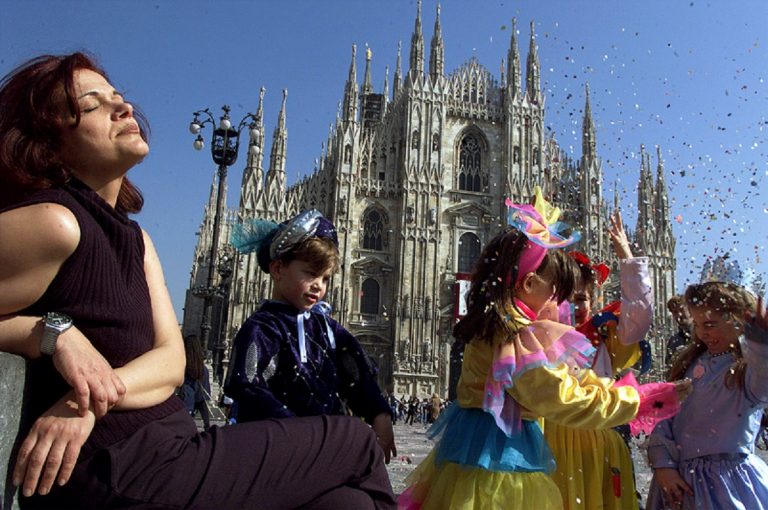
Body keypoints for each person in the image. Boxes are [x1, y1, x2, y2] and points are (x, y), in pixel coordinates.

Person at [0, 52, 395, 509]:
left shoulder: (135, 239)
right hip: (124, 470)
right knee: (354, 441)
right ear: (48, 142)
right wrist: (52, 335)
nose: (124, 108)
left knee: (346, 504)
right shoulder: (57, 221)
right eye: (92, 104)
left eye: (119, 97)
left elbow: (171, 363)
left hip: (169, 450)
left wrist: (92, 401)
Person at [398, 188, 688, 510]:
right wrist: (641, 399)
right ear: (529, 284)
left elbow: (568, 379)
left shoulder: (501, 324)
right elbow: (560, 394)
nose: (561, 305)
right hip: (502, 460)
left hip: (490, 449)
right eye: (557, 293)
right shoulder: (515, 335)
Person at [223, 209, 397, 462]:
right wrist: (295, 428)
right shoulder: (263, 327)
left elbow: (356, 376)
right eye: (310, 273)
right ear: (278, 269)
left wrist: (380, 414)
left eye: (325, 278)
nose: (319, 285)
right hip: (277, 449)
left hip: (328, 445)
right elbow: (246, 383)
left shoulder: (326, 327)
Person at [544, 210, 653, 510]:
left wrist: (627, 258)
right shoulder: (541, 339)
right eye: (566, 298)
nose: (575, 306)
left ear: (593, 300)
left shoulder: (607, 334)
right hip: (551, 446)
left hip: (599, 444)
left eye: (582, 299)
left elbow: (639, 320)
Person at [646, 281, 768, 509]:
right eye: (698, 325)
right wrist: (664, 466)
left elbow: (764, 380)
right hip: (681, 482)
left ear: (739, 322)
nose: (703, 333)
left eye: (710, 324)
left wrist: (761, 343)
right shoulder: (689, 365)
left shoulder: (745, 371)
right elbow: (664, 418)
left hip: (728, 484)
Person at [180, 335, 211, 430]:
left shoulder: (182, 368)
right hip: (189, 414)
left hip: (179, 411)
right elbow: (203, 400)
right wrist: (207, 423)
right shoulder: (203, 370)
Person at [664, 295, 692, 366]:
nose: (679, 314)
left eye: (682, 310)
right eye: (675, 312)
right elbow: (669, 368)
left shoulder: (703, 334)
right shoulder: (673, 341)